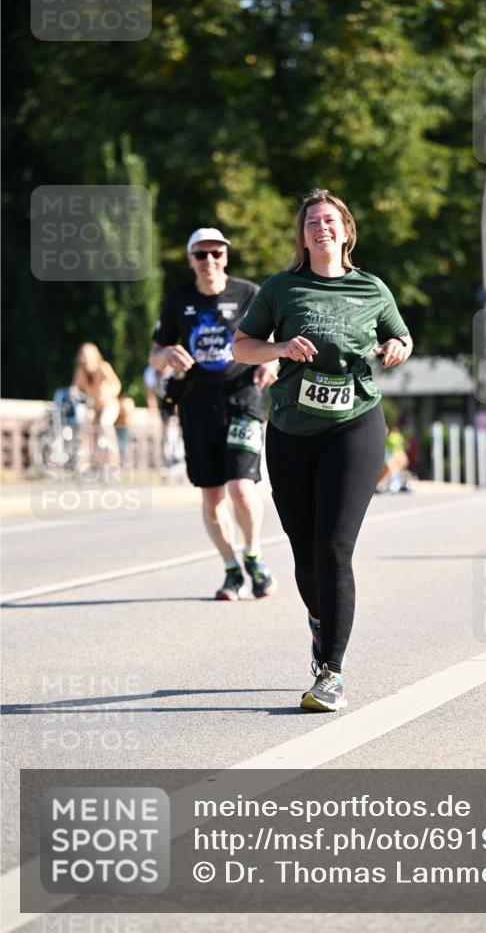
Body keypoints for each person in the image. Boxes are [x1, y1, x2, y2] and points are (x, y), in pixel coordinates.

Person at [233, 189, 412, 711]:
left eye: (329, 220)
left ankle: (330, 672)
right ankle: (320, 621)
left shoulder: (371, 288)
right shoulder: (282, 288)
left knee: (334, 548)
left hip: (355, 425)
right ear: (303, 235)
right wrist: (280, 348)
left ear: (346, 230)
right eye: (312, 222)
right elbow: (242, 346)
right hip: (291, 429)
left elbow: (400, 337)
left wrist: (397, 347)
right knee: (305, 553)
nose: (321, 228)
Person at [148, 227, 277, 601]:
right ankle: (231, 569)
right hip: (196, 403)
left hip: (243, 398)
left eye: (215, 254)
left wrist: (272, 365)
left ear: (226, 257)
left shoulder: (249, 294)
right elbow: (155, 354)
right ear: (190, 260)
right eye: (201, 255)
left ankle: (253, 553)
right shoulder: (178, 301)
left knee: (240, 488)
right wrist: (165, 357)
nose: (209, 262)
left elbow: (272, 346)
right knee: (212, 497)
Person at [71, 342, 122, 464]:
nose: (85, 359)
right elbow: (75, 387)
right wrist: (72, 392)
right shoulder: (81, 372)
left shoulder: (103, 367)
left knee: (105, 423)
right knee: (85, 427)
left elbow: (117, 385)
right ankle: (87, 462)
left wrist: (108, 393)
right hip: (94, 407)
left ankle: (114, 460)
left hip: (109, 405)